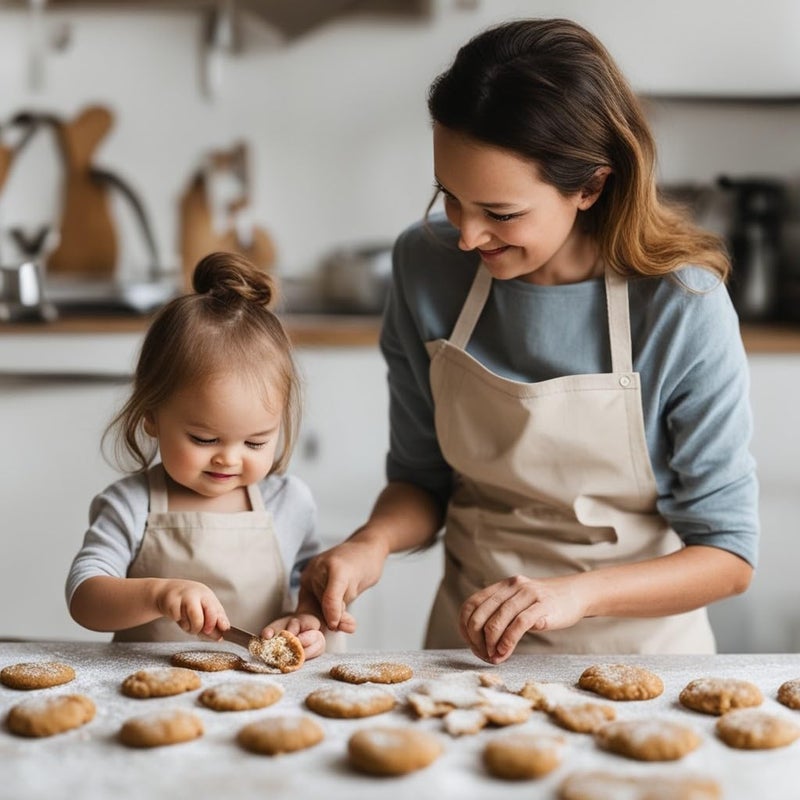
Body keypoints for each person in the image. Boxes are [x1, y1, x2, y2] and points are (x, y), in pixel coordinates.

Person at [299, 18, 758, 662]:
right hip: (467, 653)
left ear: (591, 187)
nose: (467, 236)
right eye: (450, 197)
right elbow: (421, 481)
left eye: (501, 213)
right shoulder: (425, 268)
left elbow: (728, 555)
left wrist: (577, 594)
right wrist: (369, 544)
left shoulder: (682, 304)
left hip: (641, 659)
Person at [66, 252, 343, 657]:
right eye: (204, 439)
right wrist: (159, 595)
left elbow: (310, 590)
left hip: (266, 692)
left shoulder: (290, 503)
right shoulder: (131, 505)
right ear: (151, 417)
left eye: (255, 443)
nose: (228, 459)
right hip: (149, 691)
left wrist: (307, 619)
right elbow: (84, 598)